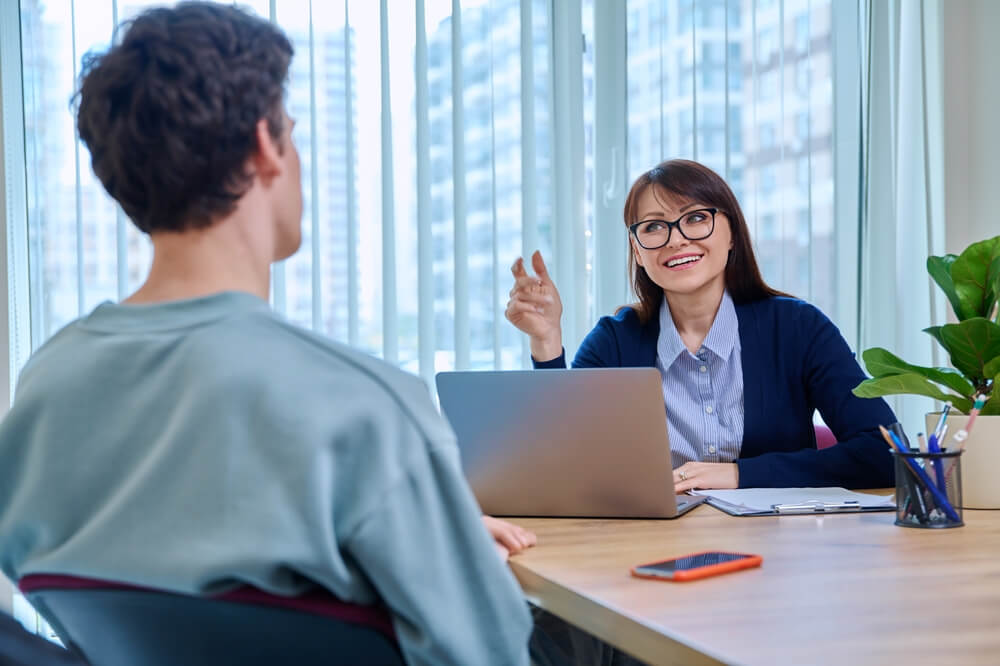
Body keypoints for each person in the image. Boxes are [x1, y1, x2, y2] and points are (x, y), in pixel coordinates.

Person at [0, 4, 534, 664]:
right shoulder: (364, 409)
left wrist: (420, 536)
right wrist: (443, 550)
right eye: (294, 133)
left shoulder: (47, 389)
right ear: (264, 145)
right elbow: (490, 653)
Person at [507, 159, 896, 491]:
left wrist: (738, 475)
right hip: (647, 548)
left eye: (696, 218)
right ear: (638, 252)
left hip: (779, 553)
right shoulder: (615, 341)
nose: (676, 239)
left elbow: (885, 453)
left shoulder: (797, 327)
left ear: (732, 235)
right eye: (654, 227)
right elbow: (557, 468)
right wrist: (546, 342)